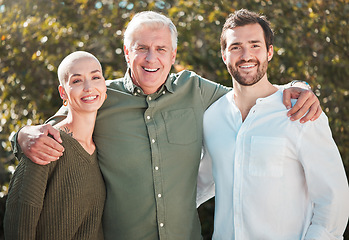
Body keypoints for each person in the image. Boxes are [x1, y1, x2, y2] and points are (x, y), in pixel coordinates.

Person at [12, 11, 322, 240]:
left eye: (161, 49)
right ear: (126, 53)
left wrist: (296, 87)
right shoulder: (102, 97)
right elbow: (57, 124)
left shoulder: (196, 90)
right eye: (141, 48)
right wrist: (22, 135)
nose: (151, 58)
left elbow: (254, 95)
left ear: (173, 55)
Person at [201, 9, 349, 239]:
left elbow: (334, 197)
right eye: (235, 46)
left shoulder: (301, 111)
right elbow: (202, 182)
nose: (246, 55)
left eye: (255, 45)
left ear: (269, 52)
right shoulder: (212, 117)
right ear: (224, 54)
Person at [4, 51, 107, 239]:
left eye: (95, 77)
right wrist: (20, 135)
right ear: (63, 93)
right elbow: (19, 225)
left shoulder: (102, 147)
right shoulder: (45, 145)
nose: (88, 87)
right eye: (76, 81)